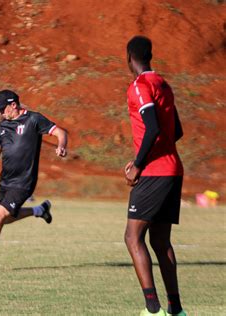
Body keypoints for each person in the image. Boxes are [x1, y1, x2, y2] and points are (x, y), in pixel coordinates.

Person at [0, 89, 68, 270]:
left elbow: (60, 132)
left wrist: (61, 145)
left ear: (14, 105)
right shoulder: (2, 127)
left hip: (23, 182)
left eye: (2, 109)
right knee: (6, 218)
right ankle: (39, 210)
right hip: (5, 182)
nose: (0, 112)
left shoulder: (33, 119)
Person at [123, 35, 186, 316]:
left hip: (155, 172)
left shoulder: (140, 85)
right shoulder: (164, 84)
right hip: (173, 169)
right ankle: (176, 310)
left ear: (129, 58)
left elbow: (152, 128)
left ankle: (152, 309)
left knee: (132, 237)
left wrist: (138, 163)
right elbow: (177, 131)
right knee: (160, 241)